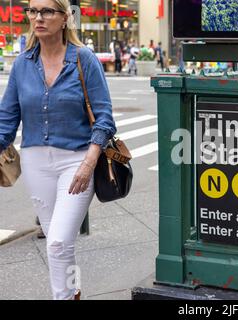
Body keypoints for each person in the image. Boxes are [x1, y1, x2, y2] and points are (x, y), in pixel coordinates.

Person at [0, 0, 116, 300]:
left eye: (47, 11)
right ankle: (73, 292)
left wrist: (89, 163)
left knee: (57, 243)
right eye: (33, 11)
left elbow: (104, 118)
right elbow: (6, 121)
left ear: (65, 18)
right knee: (59, 244)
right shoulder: (22, 64)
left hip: (77, 162)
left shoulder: (84, 59)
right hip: (36, 163)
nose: (38, 17)